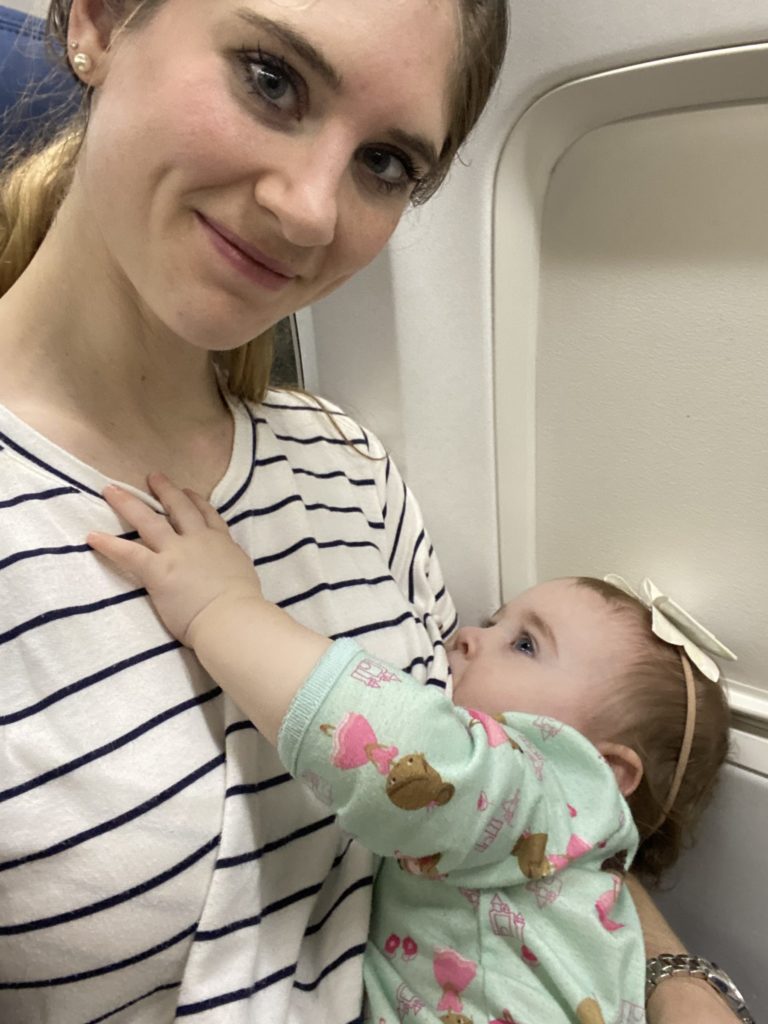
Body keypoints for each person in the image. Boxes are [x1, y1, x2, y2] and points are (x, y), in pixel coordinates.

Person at [0, 0, 744, 1021]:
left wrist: (676, 984)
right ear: (97, 19)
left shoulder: (351, 470)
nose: (311, 210)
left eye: (386, 161)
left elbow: (497, 800)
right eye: (271, 78)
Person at [87, 476, 734, 1024]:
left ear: (602, 770)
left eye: (526, 644)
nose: (470, 637)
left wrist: (222, 609)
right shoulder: (557, 861)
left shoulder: (540, 794)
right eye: (497, 618)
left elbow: (415, 753)